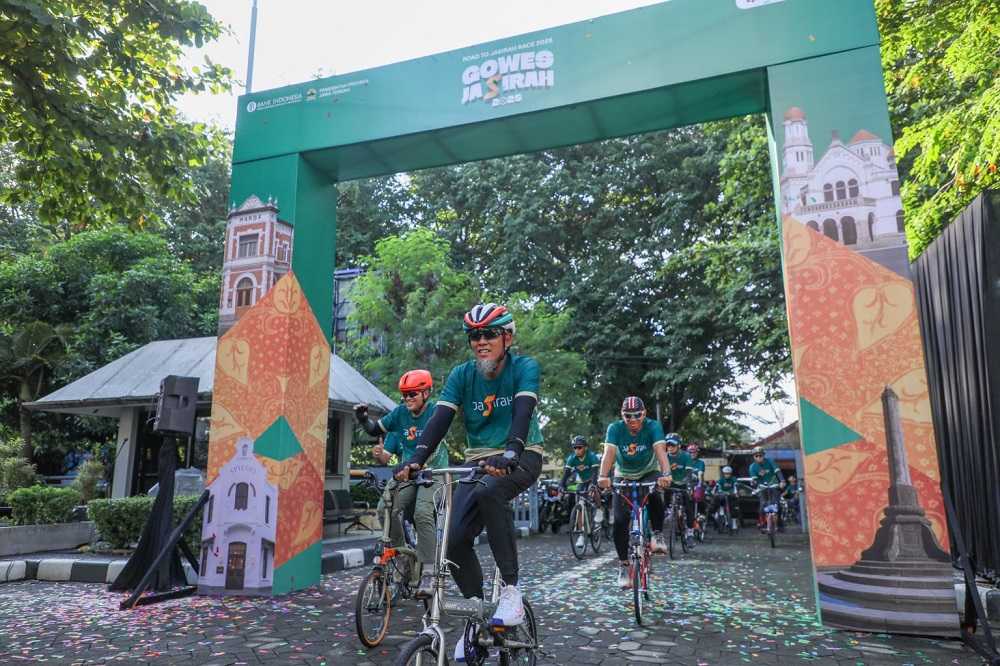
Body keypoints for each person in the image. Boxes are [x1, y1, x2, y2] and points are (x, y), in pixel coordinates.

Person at [393, 303, 543, 640]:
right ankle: (478, 612)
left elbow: (523, 411)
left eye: (489, 333)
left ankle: (511, 592)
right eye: (474, 335)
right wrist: (416, 458)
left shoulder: (525, 367)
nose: (481, 341)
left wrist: (511, 451)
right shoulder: (462, 375)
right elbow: (439, 421)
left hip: (522, 455)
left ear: (508, 336)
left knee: (492, 491)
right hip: (477, 462)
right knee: (454, 539)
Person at [354, 369, 448, 598]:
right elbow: (375, 430)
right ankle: (403, 557)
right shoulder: (400, 414)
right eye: (404, 395)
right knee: (385, 510)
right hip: (407, 474)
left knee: (422, 514)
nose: (407, 399)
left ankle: (428, 571)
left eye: (412, 394)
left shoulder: (437, 411)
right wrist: (363, 418)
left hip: (433, 472)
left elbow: (434, 447)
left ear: (426, 393)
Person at [596, 396, 671, 589]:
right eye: (628, 416)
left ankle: (657, 534)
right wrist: (603, 476)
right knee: (620, 520)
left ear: (644, 413)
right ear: (622, 415)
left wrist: (666, 474)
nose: (633, 420)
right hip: (624, 475)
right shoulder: (615, 429)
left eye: (637, 415)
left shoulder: (653, 426)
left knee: (655, 492)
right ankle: (623, 565)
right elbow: (609, 454)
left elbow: (661, 451)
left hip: (648, 472)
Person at [560, 435, 602, 550]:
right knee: (580, 504)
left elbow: (594, 473)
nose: (577, 450)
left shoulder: (592, 457)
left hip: (593, 479)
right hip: (582, 481)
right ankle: (580, 535)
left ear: (585, 448)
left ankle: (598, 511)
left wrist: (593, 486)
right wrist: (561, 485)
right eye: (575, 448)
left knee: (595, 490)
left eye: (579, 447)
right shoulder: (572, 458)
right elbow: (566, 474)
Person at [664, 434, 696, 541]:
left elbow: (689, 473)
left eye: (673, 445)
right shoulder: (664, 456)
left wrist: (689, 486)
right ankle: (668, 510)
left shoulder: (686, 456)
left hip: (684, 483)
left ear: (679, 446)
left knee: (689, 505)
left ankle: (690, 532)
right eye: (668, 445)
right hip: (670, 483)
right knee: (662, 494)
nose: (670, 447)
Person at [748, 446, 785, 530]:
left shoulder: (770, 461)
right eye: (756, 456)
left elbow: (778, 472)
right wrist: (754, 483)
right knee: (762, 506)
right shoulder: (752, 467)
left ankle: (779, 523)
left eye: (760, 455)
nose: (758, 457)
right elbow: (754, 480)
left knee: (777, 504)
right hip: (762, 487)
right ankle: (762, 522)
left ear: (763, 455)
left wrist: (782, 481)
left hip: (774, 484)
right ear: (754, 457)